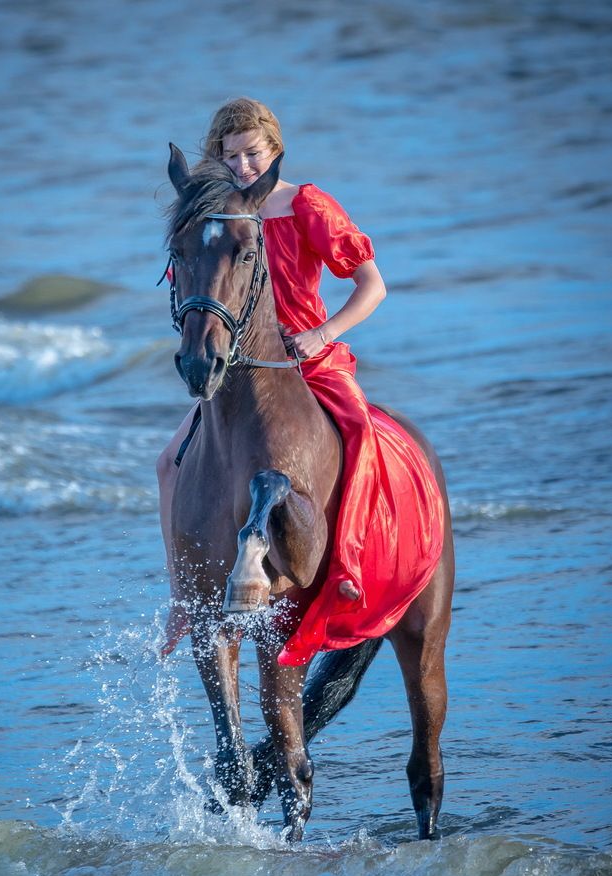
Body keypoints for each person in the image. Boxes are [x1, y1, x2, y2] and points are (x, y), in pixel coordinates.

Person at [158, 97, 443, 664]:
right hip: (240, 366)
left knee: (361, 436)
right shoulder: (218, 214)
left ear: (276, 151)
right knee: (169, 461)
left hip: (309, 360)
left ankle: (352, 570)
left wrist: (323, 333)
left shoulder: (305, 204)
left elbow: (372, 284)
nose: (242, 165)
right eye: (230, 154)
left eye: (253, 153)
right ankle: (186, 598)